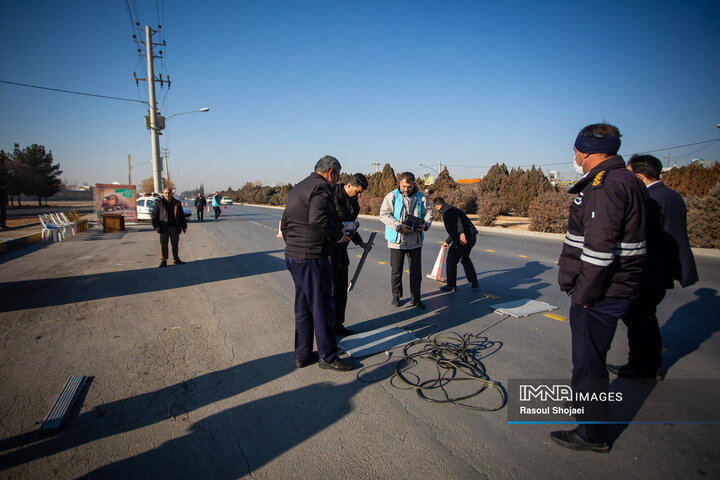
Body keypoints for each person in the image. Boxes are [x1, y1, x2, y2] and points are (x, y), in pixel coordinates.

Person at [552, 123, 648, 452]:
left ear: (590, 152)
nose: (575, 156)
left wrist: (585, 296)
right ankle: (585, 408)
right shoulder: (625, 180)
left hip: (601, 292)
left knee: (590, 362)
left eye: (577, 150)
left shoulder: (605, 186)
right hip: (616, 286)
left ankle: (592, 433)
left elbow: (598, 250)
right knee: (590, 358)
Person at [607, 154, 698, 379]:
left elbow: (639, 235)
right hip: (662, 268)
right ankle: (651, 363)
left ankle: (640, 366)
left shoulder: (649, 200)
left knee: (637, 319)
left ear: (639, 176)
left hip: (646, 270)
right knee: (646, 318)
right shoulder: (671, 195)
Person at [281, 155, 354, 371]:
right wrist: (338, 236)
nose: (337, 181)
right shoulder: (321, 188)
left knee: (303, 306)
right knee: (322, 307)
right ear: (331, 172)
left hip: (294, 255)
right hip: (312, 257)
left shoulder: (297, 188)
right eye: (338, 176)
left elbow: (285, 224)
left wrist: (294, 245)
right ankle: (328, 356)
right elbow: (318, 220)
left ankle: (302, 354)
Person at [379, 172, 433, 309]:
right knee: (396, 271)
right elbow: (384, 214)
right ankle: (396, 296)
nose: (406, 189)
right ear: (400, 183)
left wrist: (425, 224)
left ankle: (416, 299)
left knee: (416, 272)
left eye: (409, 187)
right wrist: (399, 226)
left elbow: (428, 212)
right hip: (397, 241)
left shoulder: (421, 197)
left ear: (414, 184)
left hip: (415, 240)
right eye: (403, 186)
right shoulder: (391, 196)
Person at [331, 173, 371, 336]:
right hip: (329, 251)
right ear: (348, 186)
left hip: (342, 252)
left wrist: (360, 243)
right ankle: (328, 326)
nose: (359, 195)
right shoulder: (331, 196)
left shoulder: (354, 204)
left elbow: (351, 226)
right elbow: (326, 223)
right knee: (331, 291)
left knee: (341, 291)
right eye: (358, 191)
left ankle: (338, 324)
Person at [432, 197, 479, 291]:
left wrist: (461, 234)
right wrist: (448, 241)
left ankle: (451, 285)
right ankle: (474, 282)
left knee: (451, 260)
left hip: (463, 239)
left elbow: (458, 221)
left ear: (437, 206)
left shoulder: (446, 211)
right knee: (465, 258)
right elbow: (454, 228)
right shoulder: (452, 208)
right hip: (472, 237)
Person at [151, 188, 188, 268]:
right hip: (163, 228)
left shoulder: (177, 203)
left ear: (172, 194)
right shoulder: (159, 203)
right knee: (164, 245)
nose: (167, 194)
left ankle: (176, 259)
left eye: (169, 193)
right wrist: (156, 226)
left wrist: (184, 226)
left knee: (175, 244)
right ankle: (163, 260)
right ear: (163, 194)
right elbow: (154, 215)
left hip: (174, 228)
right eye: (166, 193)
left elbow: (181, 216)